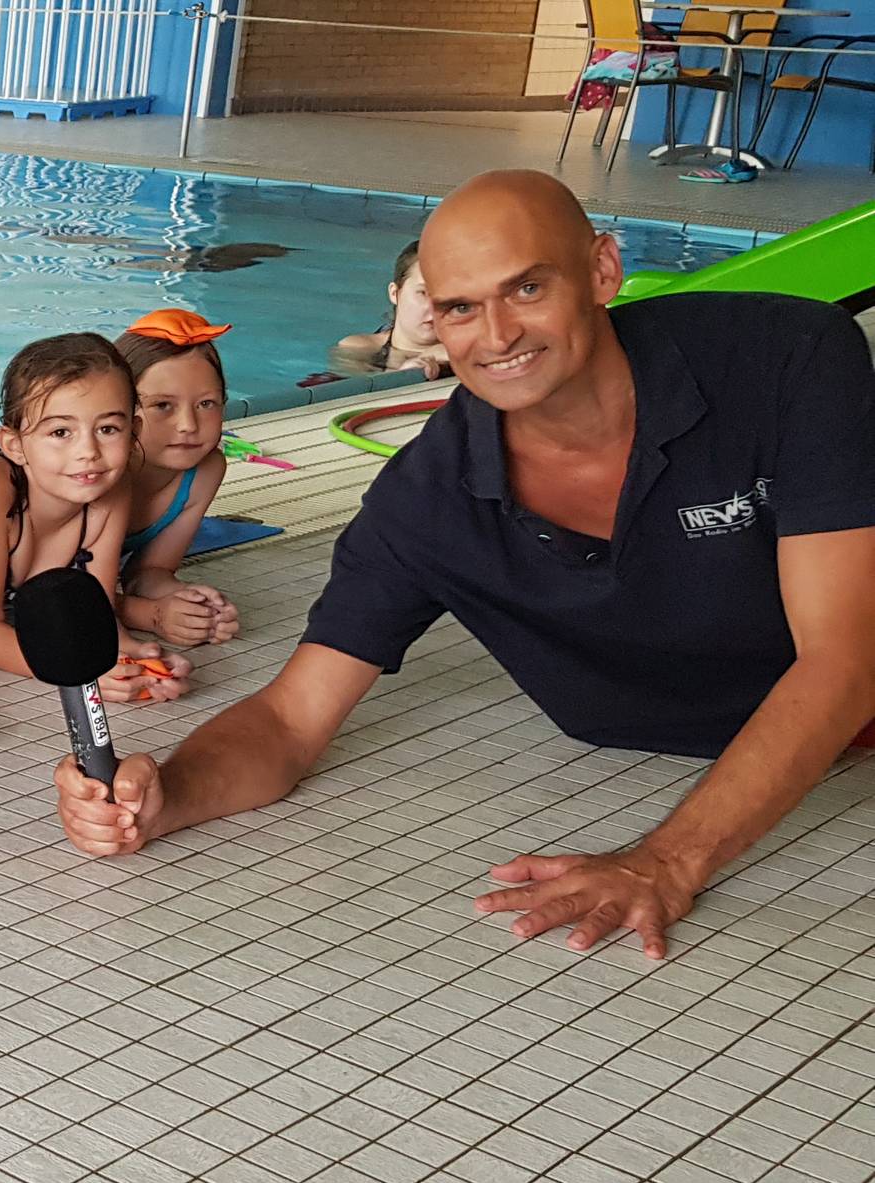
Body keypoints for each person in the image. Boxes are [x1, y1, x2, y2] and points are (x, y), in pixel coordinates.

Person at [57, 170, 875, 959]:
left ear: (603, 269)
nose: (498, 335)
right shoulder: (431, 498)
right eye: (459, 308)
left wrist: (666, 860)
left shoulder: (783, 360)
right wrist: (166, 795)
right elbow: (290, 719)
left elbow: (846, 659)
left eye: (528, 288)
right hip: (661, 755)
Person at [0, 334, 192, 702]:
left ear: (133, 431)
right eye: (60, 432)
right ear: (14, 445)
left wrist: (137, 659)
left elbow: (96, 608)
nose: (88, 451)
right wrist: (79, 673)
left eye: (107, 429)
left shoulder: (110, 488)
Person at [114, 309, 243, 648]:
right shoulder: (96, 473)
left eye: (206, 404)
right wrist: (152, 616)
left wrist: (190, 602)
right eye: (162, 405)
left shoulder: (204, 471)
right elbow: (51, 589)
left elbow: (148, 572)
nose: (188, 425)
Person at [332, 240, 452, 379]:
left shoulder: (467, 354)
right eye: (423, 293)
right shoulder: (359, 350)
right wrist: (405, 374)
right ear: (394, 293)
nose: (435, 307)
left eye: (449, 296)